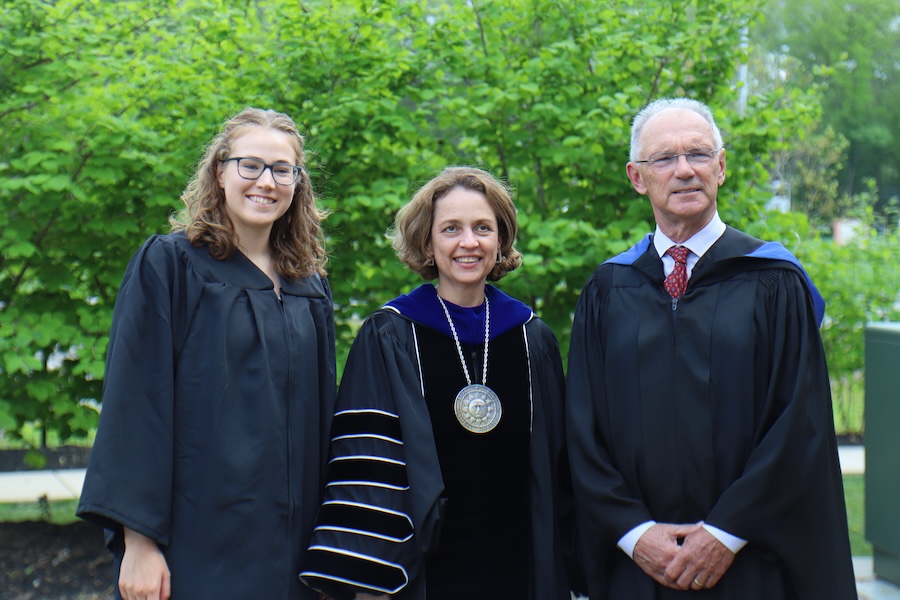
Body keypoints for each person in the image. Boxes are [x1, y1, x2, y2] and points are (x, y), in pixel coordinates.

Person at [566, 97, 857, 599]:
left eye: (698, 154)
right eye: (665, 159)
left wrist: (723, 534)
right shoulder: (609, 289)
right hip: (638, 568)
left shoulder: (773, 282)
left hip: (749, 563)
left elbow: (797, 421)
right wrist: (635, 535)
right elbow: (582, 426)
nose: (684, 170)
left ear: (721, 167)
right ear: (637, 177)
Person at [76, 107, 337, 600]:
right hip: (196, 543)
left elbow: (325, 419)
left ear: (298, 183)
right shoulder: (170, 266)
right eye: (250, 165)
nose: (267, 182)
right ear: (220, 171)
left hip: (296, 551)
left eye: (283, 170)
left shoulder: (311, 287)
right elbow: (137, 402)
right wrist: (139, 541)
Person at [298, 167, 579, 599]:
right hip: (420, 577)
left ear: (501, 240)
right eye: (451, 229)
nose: (469, 242)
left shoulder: (531, 338)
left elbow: (559, 471)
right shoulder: (389, 336)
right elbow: (365, 465)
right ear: (427, 243)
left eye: (483, 228)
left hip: (520, 571)